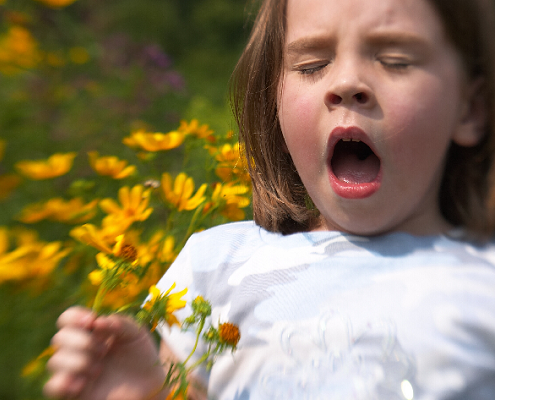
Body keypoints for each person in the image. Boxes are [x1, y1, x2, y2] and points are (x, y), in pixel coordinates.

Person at [44, 0, 494, 398]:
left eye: (396, 60)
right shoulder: (218, 264)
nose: (346, 83)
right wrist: (142, 394)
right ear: (273, 99)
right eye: (312, 64)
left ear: (471, 107)